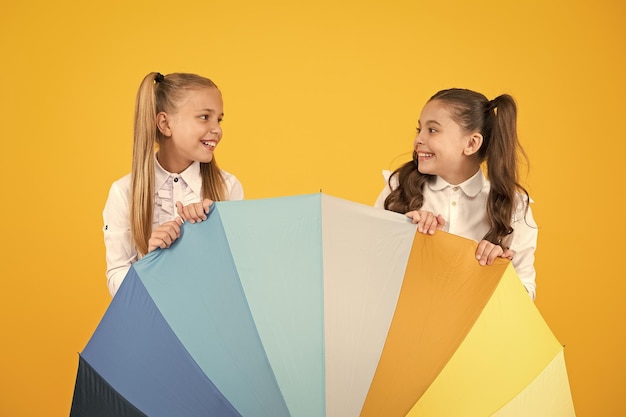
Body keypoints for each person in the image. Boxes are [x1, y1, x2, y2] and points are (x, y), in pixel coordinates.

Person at [375, 88, 538, 300]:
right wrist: (402, 232)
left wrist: (498, 271)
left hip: (474, 332)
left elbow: (527, 293)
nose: (418, 140)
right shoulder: (398, 188)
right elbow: (369, 261)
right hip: (406, 327)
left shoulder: (514, 207)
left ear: (471, 143)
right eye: (419, 129)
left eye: (432, 130)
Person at [103, 72, 244, 296]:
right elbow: (116, 281)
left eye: (219, 119)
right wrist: (153, 262)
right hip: (150, 325)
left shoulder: (228, 187)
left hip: (207, 325)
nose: (217, 129)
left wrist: (207, 234)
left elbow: (238, 274)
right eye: (205, 117)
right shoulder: (124, 193)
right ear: (165, 123)